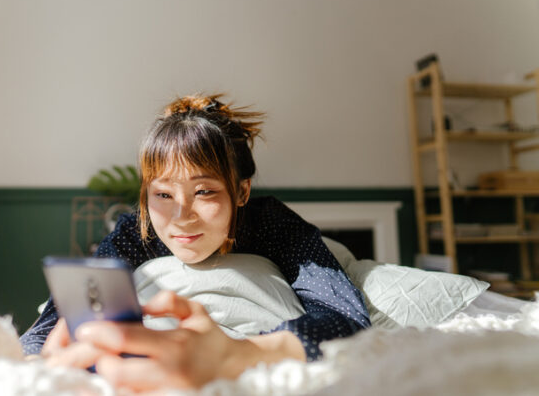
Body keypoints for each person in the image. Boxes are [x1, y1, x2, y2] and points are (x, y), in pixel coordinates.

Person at [20, 94, 370, 392]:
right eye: (163, 194)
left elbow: (345, 319)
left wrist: (237, 354)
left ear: (242, 191)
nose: (180, 216)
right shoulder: (135, 231)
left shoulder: (273, 224)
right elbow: (45, 330)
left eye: (204, 191)